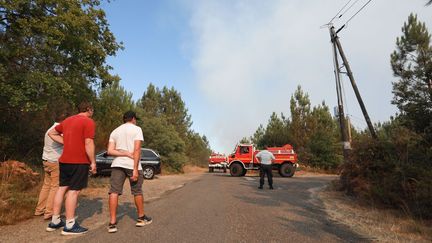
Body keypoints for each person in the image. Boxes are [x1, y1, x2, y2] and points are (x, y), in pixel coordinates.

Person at [46, 101, 97, 235]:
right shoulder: (88, 122)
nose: (93, 112)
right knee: (73, 192)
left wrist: (67, 142)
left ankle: (55, 221)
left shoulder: (68, 120)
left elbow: (51, 133)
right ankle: (69, 225)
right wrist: (93, 162)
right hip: (79, 161)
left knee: (62, 188)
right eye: (93, 110)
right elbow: (88, 142)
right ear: (89, 109)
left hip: (64, 161)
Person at [107, 111, 152, 233]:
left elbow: (110, 151)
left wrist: (123, 153)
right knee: (137, 191)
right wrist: (135, 169)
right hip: (132, 164)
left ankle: (112, 223)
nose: (135, 121)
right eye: (135, 119)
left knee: (114, 192)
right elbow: (137, 149)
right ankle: (141, 218)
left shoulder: (115, 131)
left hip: (117, 164)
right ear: (132, 119)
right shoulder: (137, 129)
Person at [34, 113, 66, 220]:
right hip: (55, 162)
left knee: (46, 185)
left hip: (46, 160)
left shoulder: (49, 129)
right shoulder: (58, 131)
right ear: (64, 121)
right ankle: (49, 212)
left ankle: (40, 209)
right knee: (55, 187)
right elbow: (67, 142)